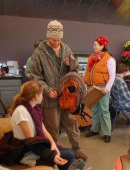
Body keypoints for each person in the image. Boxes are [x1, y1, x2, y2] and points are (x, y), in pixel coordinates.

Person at [30, 20, 87, 161]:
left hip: (67, 96)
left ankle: (77, 149)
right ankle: (53, 152)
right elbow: (35, 76)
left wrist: (71, 64)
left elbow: (76, 67)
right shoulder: (39, 53)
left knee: (72, 124)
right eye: (54, 40)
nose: (57, 43)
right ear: (48, 37)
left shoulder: (66, 49)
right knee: (52, 128)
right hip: (50, 98)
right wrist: (47, 90)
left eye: (59, 40)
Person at [10, 80, 74, 170]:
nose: (42, 97)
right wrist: (51, 155)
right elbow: (31, 142)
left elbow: (44, 130)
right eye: (42, 94)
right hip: (26, 152)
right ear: (36, 95)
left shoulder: (34, 110)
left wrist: (53, 144)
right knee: (69, 155)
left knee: (69, 152)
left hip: (35, 147)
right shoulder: (21, 111)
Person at [83, 35, 116, 143]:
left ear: (102, 46)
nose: (93, 47)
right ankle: (94, 129)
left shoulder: (109, 59)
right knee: (94, 110)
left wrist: (107, 89)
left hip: (102, 88)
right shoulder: (91, 57)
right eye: (94, 45)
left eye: (96, 45)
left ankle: (107, 133)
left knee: (104, 110)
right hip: (92, 87)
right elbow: (86, 71)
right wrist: (84, 82)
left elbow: (112, 76)